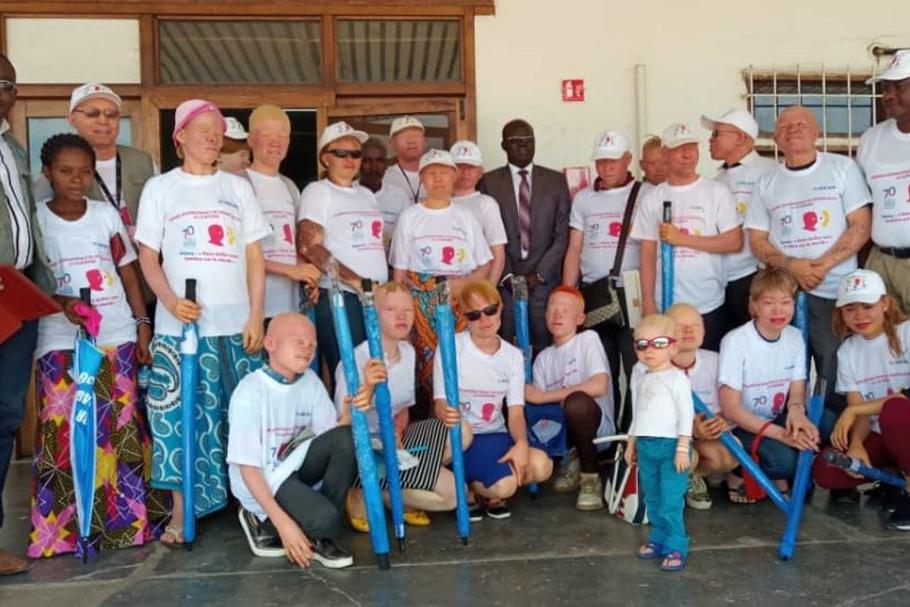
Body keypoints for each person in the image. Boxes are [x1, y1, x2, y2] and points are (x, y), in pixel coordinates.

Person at [135, 99, 269, 546]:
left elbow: (254, 255)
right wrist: (171, 301)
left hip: (235, 324)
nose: (214, 137)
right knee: (178, 418)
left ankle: (251, 503)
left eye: (218, 131)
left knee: (243, 416)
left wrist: (256, 314)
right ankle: (182, 508)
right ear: (180, 137)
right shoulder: (160, 188)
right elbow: (148, 256)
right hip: (180, 328)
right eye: (204, 129)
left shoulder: (238, 188)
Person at [27, 133, 161, 558]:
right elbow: (27, 279)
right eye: (66, 171)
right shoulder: (36, 220)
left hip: (115, 334)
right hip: (58, 338)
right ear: (48, 173)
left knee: (118, 428)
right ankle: (61, 532)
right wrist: (61, 303)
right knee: (61, 428)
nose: (76, 179)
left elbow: (128, 272)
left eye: (85, 172)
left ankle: (126, 525)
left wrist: (142, 325)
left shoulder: (105, 216)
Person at [747, 106, 872, 411]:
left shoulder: (842, 168)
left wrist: (821, 267)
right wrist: (792, 266)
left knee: (833, 366)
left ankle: (834, 432)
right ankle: (789, 428)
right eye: (784, 127)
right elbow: (757, 240)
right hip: (785, 295)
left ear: (816, 132)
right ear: (776, 139)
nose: (793, 130)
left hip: (834, 292)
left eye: (801, 125)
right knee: (786, 369)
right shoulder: (766, 182)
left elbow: (861, 225)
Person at [228, 313, 360, 568]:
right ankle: (263, 520)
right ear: (270, 344)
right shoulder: (250, 393)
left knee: (345, 437)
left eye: (311, 345)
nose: (307, 349)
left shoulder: (311, 381)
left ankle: (322, 534)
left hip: (296, 467)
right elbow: (248, 469)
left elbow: (330, 440)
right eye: (298, 342)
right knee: (324, 519)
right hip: (265, 479)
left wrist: (348, 417)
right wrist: (284, 524)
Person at [334, 282, 462, 530]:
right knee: (450, 495)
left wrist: (397, 433)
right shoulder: (355, 359)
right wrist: (369, 387)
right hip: (363, 447)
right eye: (391, 310)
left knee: (461, 438)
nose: (401, 316)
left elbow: (403, 407)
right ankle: (363, 486)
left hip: (395, 442)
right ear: (373, 315)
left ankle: (385, 492)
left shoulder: (408, 352)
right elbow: (344, 422)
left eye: (407, 310)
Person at [0, 52, 55, 576]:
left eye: (9, 84)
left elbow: (26, 224)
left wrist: (47, 290)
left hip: (16, 296)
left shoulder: (12, 147)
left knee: (5, 417)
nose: (3, 92)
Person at [433, 280, 552, 519]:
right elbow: (440, 402)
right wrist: (447, 414)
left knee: (542, 466)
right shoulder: (450, 346)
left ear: (500, 308)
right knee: (504, 487)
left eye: (490, 310)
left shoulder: (512, 356)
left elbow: (515, 411)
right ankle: (474, 487)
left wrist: (521, 444)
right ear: (463, 316)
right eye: (474, 315)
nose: (485, 319)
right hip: (464, 438)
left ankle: (484, 483)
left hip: (496, 434)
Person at [718, 267, 834, 495]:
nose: (778, 310)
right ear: (753, 305)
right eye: (768, 303)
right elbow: (731, 409)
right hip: (741, 426)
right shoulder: (735, 341)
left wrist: (797, 413)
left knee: (826, 421)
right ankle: (737, 470)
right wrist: (781, 435)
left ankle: (792, 461)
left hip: (774, 417)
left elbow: (797, 389)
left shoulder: (794, 337)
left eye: (785, 302)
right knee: (786, 463)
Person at [390, 149, 492, 410]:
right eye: (431, 173)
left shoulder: (465, 217)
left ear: (454, 176)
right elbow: (400, 272)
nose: (438, 178)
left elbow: (485, 264)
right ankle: (432, 421)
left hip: (460, 302)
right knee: (425, 365)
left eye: (444, 172)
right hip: (421, 305)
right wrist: (401, 312)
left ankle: (463, 418)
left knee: (461, 360)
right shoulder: (410, 216)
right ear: (422, 178)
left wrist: (461, 285)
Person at [631, 123, 742, 351]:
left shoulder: (716, 191)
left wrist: (682, 239)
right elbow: (647, 253)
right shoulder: (652, 198)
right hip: (665, 305)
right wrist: (648, 302)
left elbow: (734, 242)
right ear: (665, 154)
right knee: (667, 366)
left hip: (708, 303)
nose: (687, 154)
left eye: (692, 147)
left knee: (707, 364)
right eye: (679, 148)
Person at [812, 269, 910, 527]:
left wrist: (853, 411)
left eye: (868, 306)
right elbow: (859, 408)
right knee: (826, 470)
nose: (859, 316)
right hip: (883, 436)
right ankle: (893, 477)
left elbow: (902, 400)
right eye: (850, 309)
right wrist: (856, 444)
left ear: (885, 303)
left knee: (895, 410)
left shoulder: (907, 332)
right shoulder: (848, 350)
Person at [296, 121, 388, 385]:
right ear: (326, 158)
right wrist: (357, 281)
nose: (350, 160)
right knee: (349, 373)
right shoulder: (318, 191)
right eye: (341, 153)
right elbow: (310, 247)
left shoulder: (367, 195)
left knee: (374, 370)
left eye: (356, 154)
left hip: (374, 295)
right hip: (342, 295)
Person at [563, 130, 642, 419]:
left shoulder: (645, 193)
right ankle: (606, 434)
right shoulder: (584, 198)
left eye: (613, 161)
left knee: (637, 368)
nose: (606, 167)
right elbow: (574, 249)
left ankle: (630, 432)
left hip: (633, 294)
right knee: (601, 370)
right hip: (594, 293)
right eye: (601, 161)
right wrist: (568, 296)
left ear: (628, 159)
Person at [479, 119, 570, 355]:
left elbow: (562, 235)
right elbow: (485, 236)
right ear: (503, 145)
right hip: (505, 282)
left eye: (529, 140)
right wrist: (507, 275)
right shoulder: (488, 182)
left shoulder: (556, 181)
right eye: (516, 141)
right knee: (505, 347)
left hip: (544, 282)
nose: (523, 146)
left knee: (545, 347)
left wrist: (539, 275)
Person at [630, 303, 733, 510]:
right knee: (682, 454)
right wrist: (691, 430)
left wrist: (719, 423)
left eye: (695, 325)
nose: (688, 331)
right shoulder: (645, 367)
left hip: (702, 436)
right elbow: (646, 418)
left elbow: (725, 406)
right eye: (680, 326)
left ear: (704, 331)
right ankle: (667, 489)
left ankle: (690, 479)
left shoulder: (715, 361)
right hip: (664, 439)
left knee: (729, 453)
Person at [524, 286, 614, 511]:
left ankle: (590, 479)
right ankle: (571, 459)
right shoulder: (543, 359)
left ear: (580, 318)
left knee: (576, 403)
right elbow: (543, 409)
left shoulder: (588, 340)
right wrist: (539, 398)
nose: (558, 314)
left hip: (596, 430)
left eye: (566, 310)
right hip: (562, 433)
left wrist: (544, 396)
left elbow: (599, 385)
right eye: (552, 309)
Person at [34, 83, 156, 243]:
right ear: (71, 119)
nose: (103, 120)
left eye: (111, 114)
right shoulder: (56, 169)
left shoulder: (143, 161)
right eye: (92, 113)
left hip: (140, 256)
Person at [626, 314, 693, 572]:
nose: (649, 350)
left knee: (671, 500)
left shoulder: (677, 378)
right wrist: (631, 443)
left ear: (674, 347)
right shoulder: (641, 377)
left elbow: (686, 414)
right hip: (646, 446)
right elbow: (638, 414)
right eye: (642, 344)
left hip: (671, 447)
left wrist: (683, 447)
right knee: (652, 497)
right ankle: (659, 537)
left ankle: (677, 544)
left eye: (659, 343)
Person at [701, 109, 778, 330]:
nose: (710, 140)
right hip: (719, 280)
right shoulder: (716, 180)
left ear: (741, 137)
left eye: (716, 134)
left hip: (755, 275)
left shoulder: (770, 171)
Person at [244, 105, 319, 321]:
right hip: (252, 309)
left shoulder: (289, 186)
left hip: (288, 305)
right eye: (266, 136)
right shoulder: (239, 183)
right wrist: (289, 271)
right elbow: (236, 251)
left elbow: (293, 242)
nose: (275, 142)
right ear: (250, 140)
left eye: (282, 136)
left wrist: (305, 275)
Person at [858, 50, 910, 315]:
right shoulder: (871, 139)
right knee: (884, 338)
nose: (888, 95)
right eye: (885, 88)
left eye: (899, 87)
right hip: (881, 262)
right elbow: (862, 204)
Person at [450, 139, 508, 284]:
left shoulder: (486, 204)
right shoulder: (437, 203)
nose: (465, 172)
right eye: (459, 167)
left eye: (471, 167)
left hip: (475, 285)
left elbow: (498, 254)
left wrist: (489, 291)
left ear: (480, 172)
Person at [358, 137, 411, 256]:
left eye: (379, 161)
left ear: (386, 165)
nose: (374, 167)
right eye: (367, 161)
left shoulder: (400, 197)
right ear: (358, 163)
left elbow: (407, 239)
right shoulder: (347, 192)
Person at [383, 116, 427, 203]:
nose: (411, 141)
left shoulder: (439, 175)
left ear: (425, 141)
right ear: (392, 143)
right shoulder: (384, 177)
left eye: (416, 136)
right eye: (403, 137)